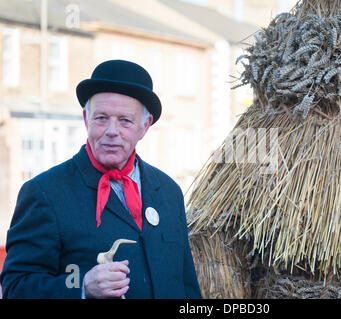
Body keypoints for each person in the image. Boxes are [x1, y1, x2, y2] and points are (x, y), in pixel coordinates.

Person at [0, 60, 202, 299]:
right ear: (86, 119)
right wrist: (82, 286)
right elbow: (16, 286)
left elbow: (187, 286)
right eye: (101, 118)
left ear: (144, 126)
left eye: (125, 120)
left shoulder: (169, 191)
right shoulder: (45, 192)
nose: (111, 131)